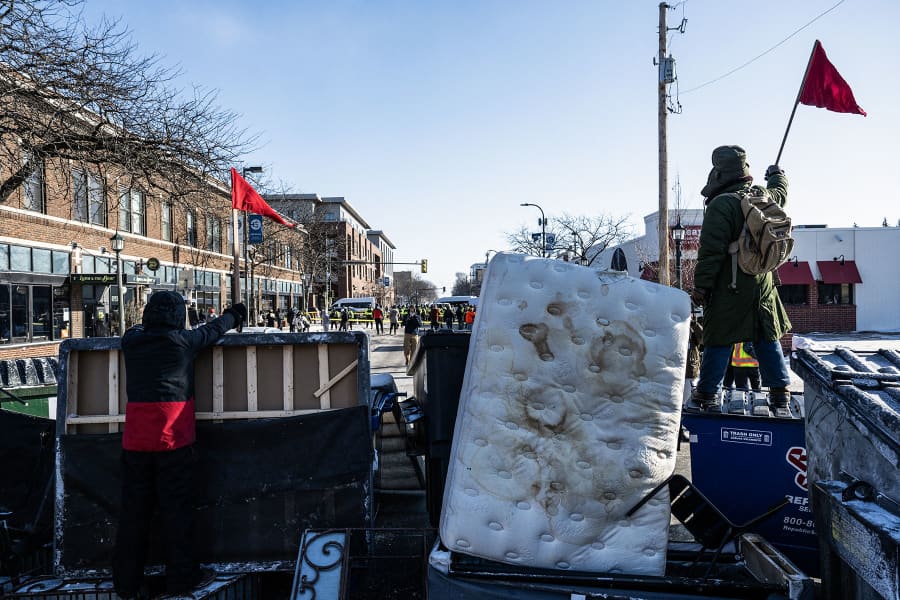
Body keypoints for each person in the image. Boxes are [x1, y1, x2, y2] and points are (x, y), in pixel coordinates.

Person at [113, 291, 246, 598]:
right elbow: (214, 329)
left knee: (133, 515)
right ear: (177, 315)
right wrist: (234, 313)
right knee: (177, 514)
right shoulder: (183, 343)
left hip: (136, 441)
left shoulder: (132, 342)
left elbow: (131, 331)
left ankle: (126, 583)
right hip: (174, 440)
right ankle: (181, 579)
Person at [690, 145, 792, 417]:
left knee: (719, 336)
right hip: (762, 282)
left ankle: (707, 391)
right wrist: (776, 175)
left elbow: (710, 252)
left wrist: (702, 287)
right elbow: (780, 194)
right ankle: (780, 393)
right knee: (765, 335)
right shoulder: (762, 194)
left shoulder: (722, 205)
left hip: (731, 285)